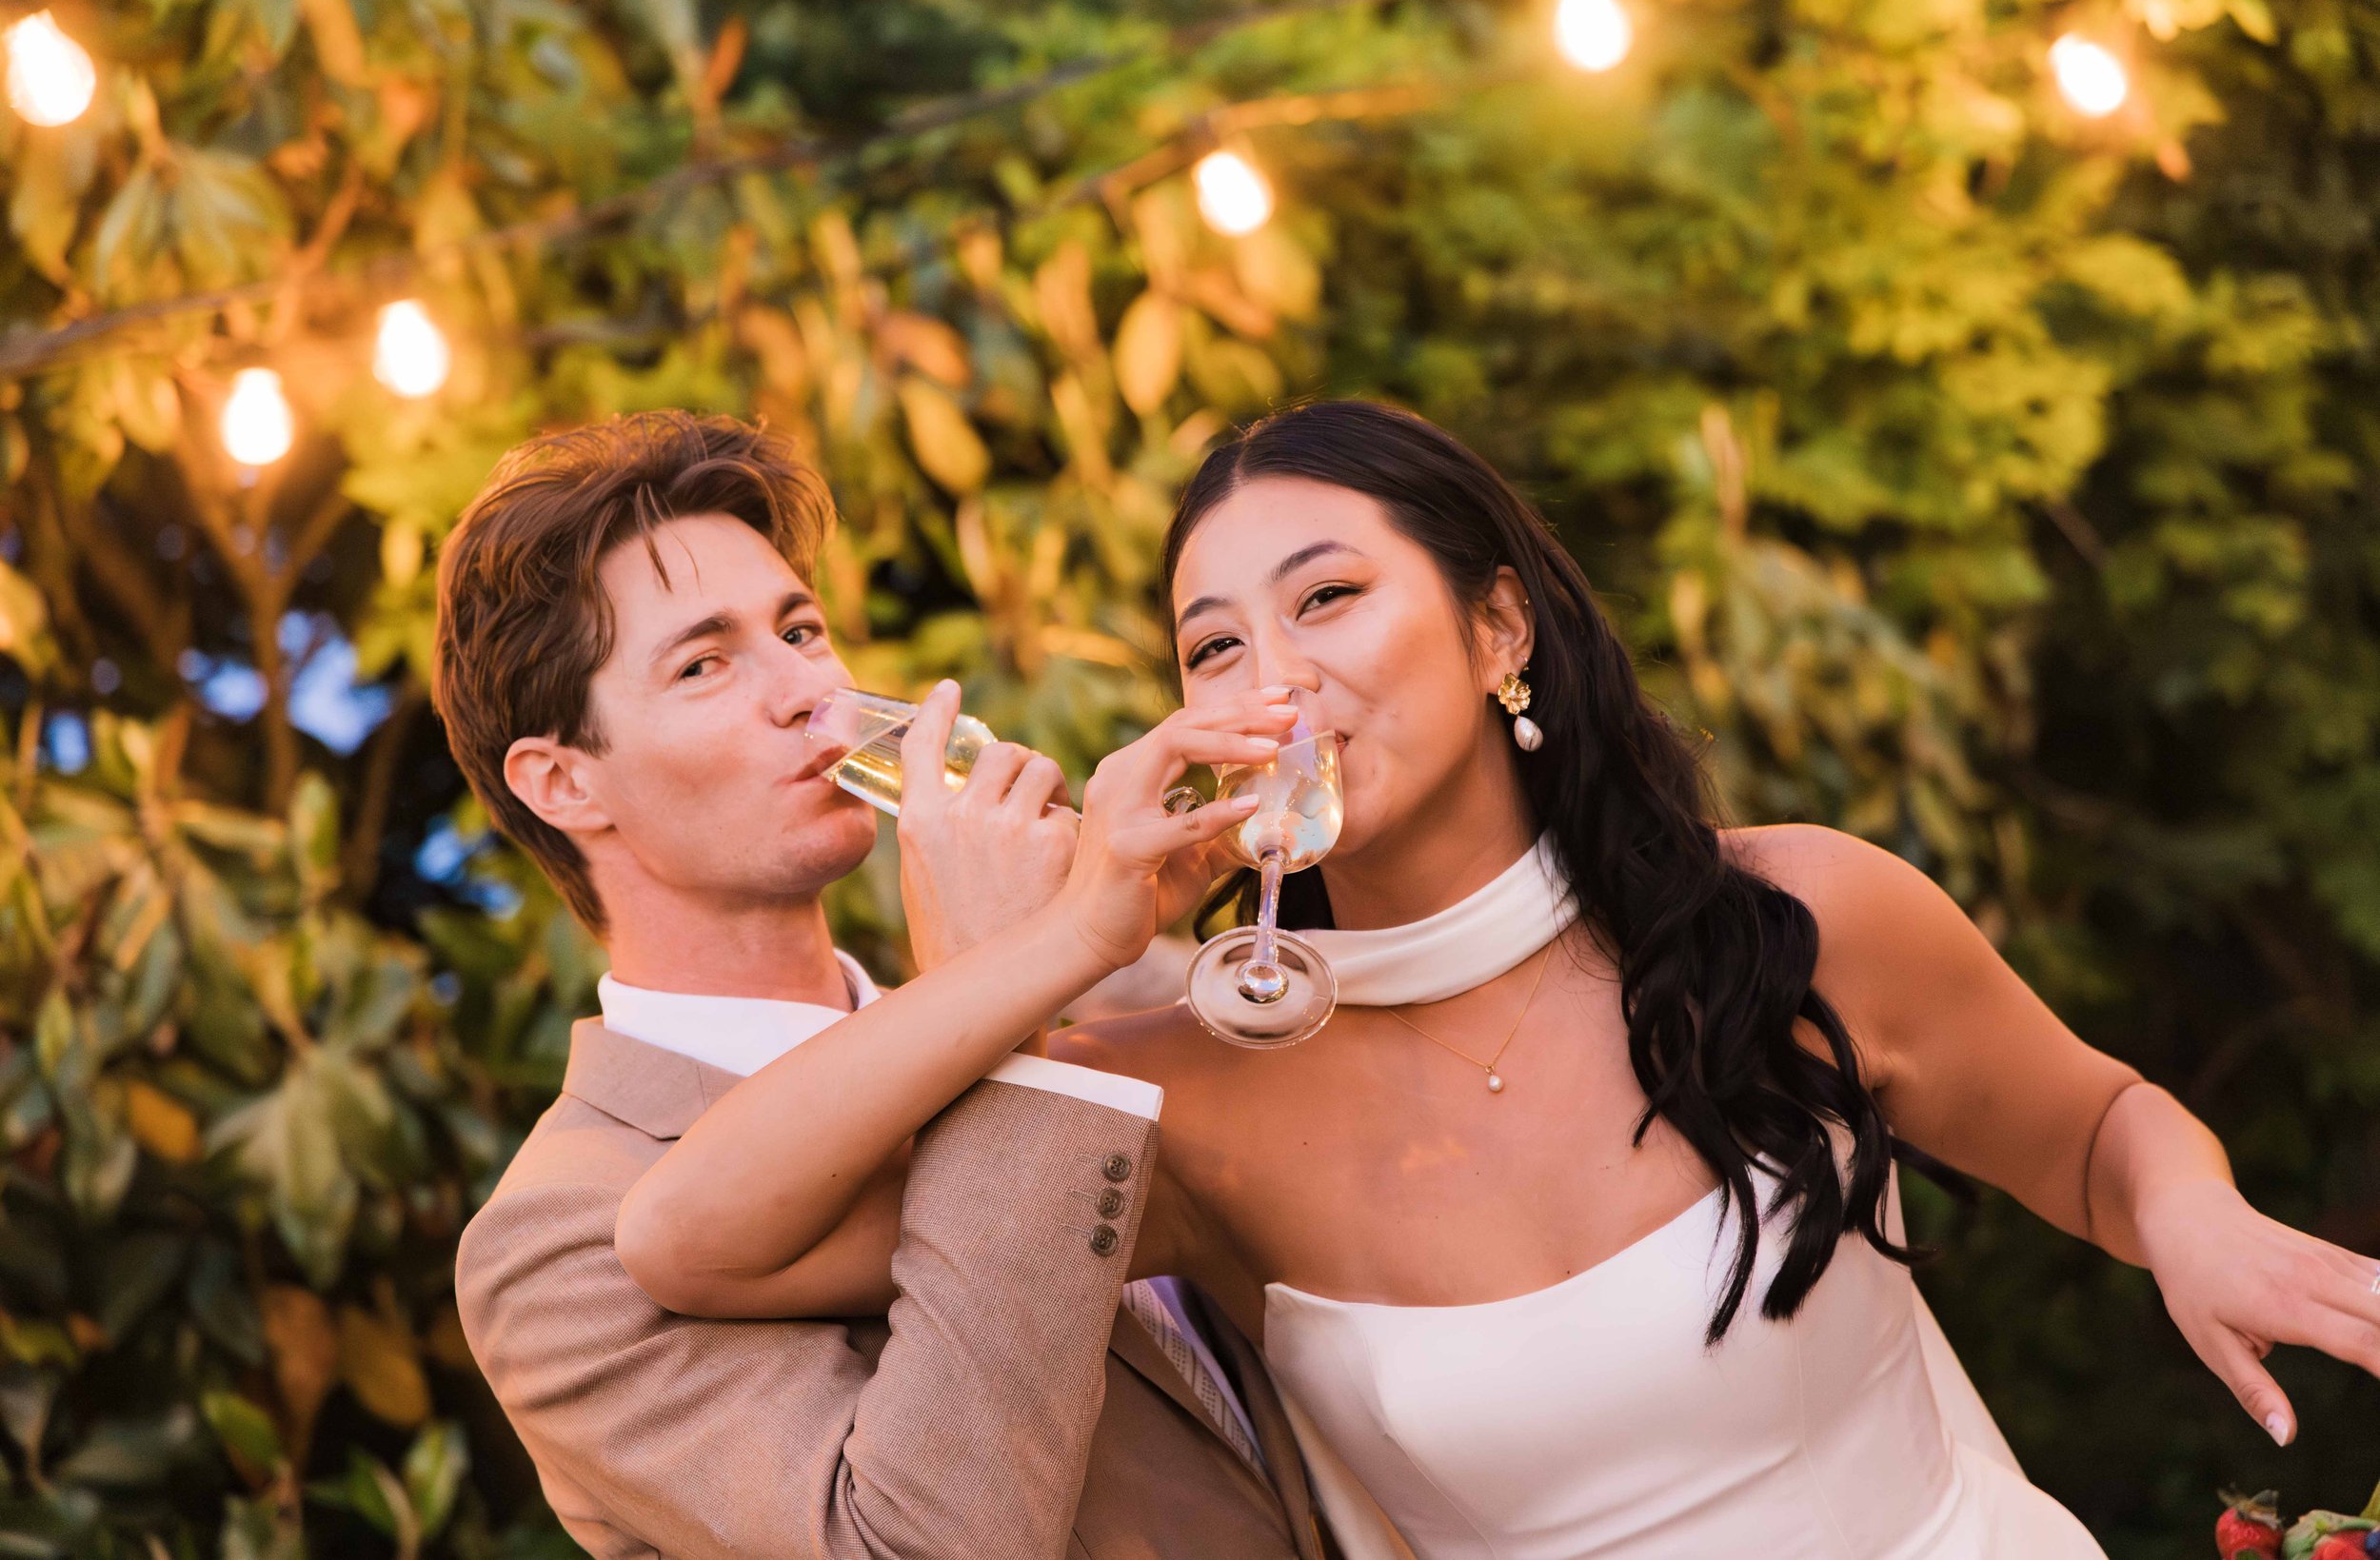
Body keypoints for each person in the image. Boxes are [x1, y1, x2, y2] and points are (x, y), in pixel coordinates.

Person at [617, 400, 2380, 1559]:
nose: (1275, 673)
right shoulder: (1192, 1087)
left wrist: (2193, 1214)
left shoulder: (1798, 916)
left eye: (1328, 598)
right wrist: (1070, 936)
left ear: (1499, 628)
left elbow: (2090, 1135)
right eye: (1216, 644)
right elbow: (698, 1234)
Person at [434, 410, 1337, 1559]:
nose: (806, 693)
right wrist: (996, 982)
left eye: (800, 630)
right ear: (562, 782)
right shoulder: (556, 1241)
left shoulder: (1107, 1013)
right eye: (705, 663)